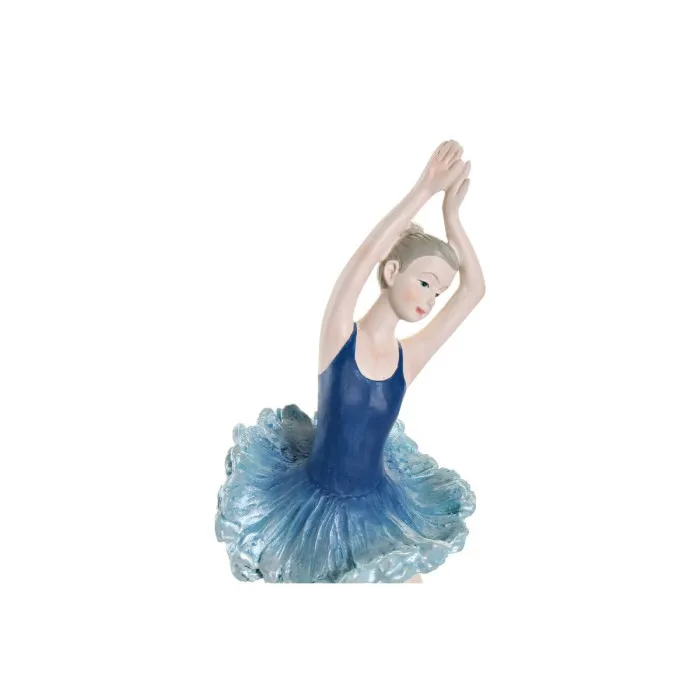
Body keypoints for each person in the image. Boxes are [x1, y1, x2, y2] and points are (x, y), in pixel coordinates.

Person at [215, 139, 486, 583]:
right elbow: (364, 257)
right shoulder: (340, 338)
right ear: (392, 272)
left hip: (378, 505)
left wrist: (451, 217)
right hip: (313, 504)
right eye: (425, 283)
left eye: (438, 293)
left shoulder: (408, 358)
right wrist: (424, 188)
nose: (431, 300)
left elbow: (473, 291)